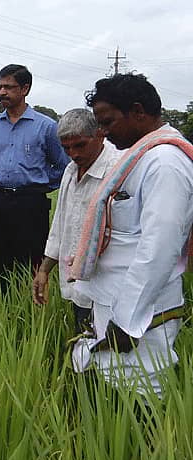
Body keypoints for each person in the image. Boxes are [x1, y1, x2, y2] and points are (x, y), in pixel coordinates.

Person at [69, 73, 193, 399]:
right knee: (114, 388)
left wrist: (127, 320)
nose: (103, 132)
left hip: (141, 313)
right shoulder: (139, 156)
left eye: (108, 122)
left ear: (138, 111)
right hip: (116, 302)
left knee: (140, 393)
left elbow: (160, 246)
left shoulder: (165, 163)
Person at [0, 64, 70, 293]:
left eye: (8, 87)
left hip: (31, 202)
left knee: (30, 257)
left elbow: (63, 165)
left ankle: (29, 301)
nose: (2, 92)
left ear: (25, 89)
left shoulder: (46, 126)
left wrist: (40, 184)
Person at [32, 109, 121, 334]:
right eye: (66, 148)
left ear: (99, 134)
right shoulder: (71, 171)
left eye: (80, 145)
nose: (73, 154)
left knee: (109, 347)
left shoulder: (118, 169)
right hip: (77, 278)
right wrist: (44, 270)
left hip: (110, 285)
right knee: (83, 338)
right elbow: (61, 223)